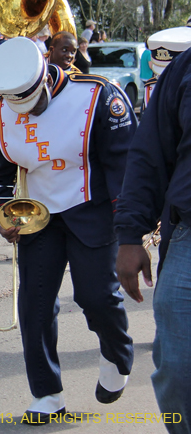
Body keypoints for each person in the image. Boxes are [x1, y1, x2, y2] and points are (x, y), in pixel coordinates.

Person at [0, 37, 135, 422]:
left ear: (45, 78)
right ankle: (47, 393)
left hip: (93, 207)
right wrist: (4, 210)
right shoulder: (0, 107)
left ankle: (116, 355)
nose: (23, 110)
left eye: (29, 101)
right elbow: (3, 165)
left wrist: (131, 227)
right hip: (39, 215)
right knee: (34, 305)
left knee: (96, 298)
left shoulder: (98, 96)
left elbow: (123, 166)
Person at [114, 27, 191, 431]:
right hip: (188, 238)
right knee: (178, 369)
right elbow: (149, 156)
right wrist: (130, 236)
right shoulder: (184, 70)